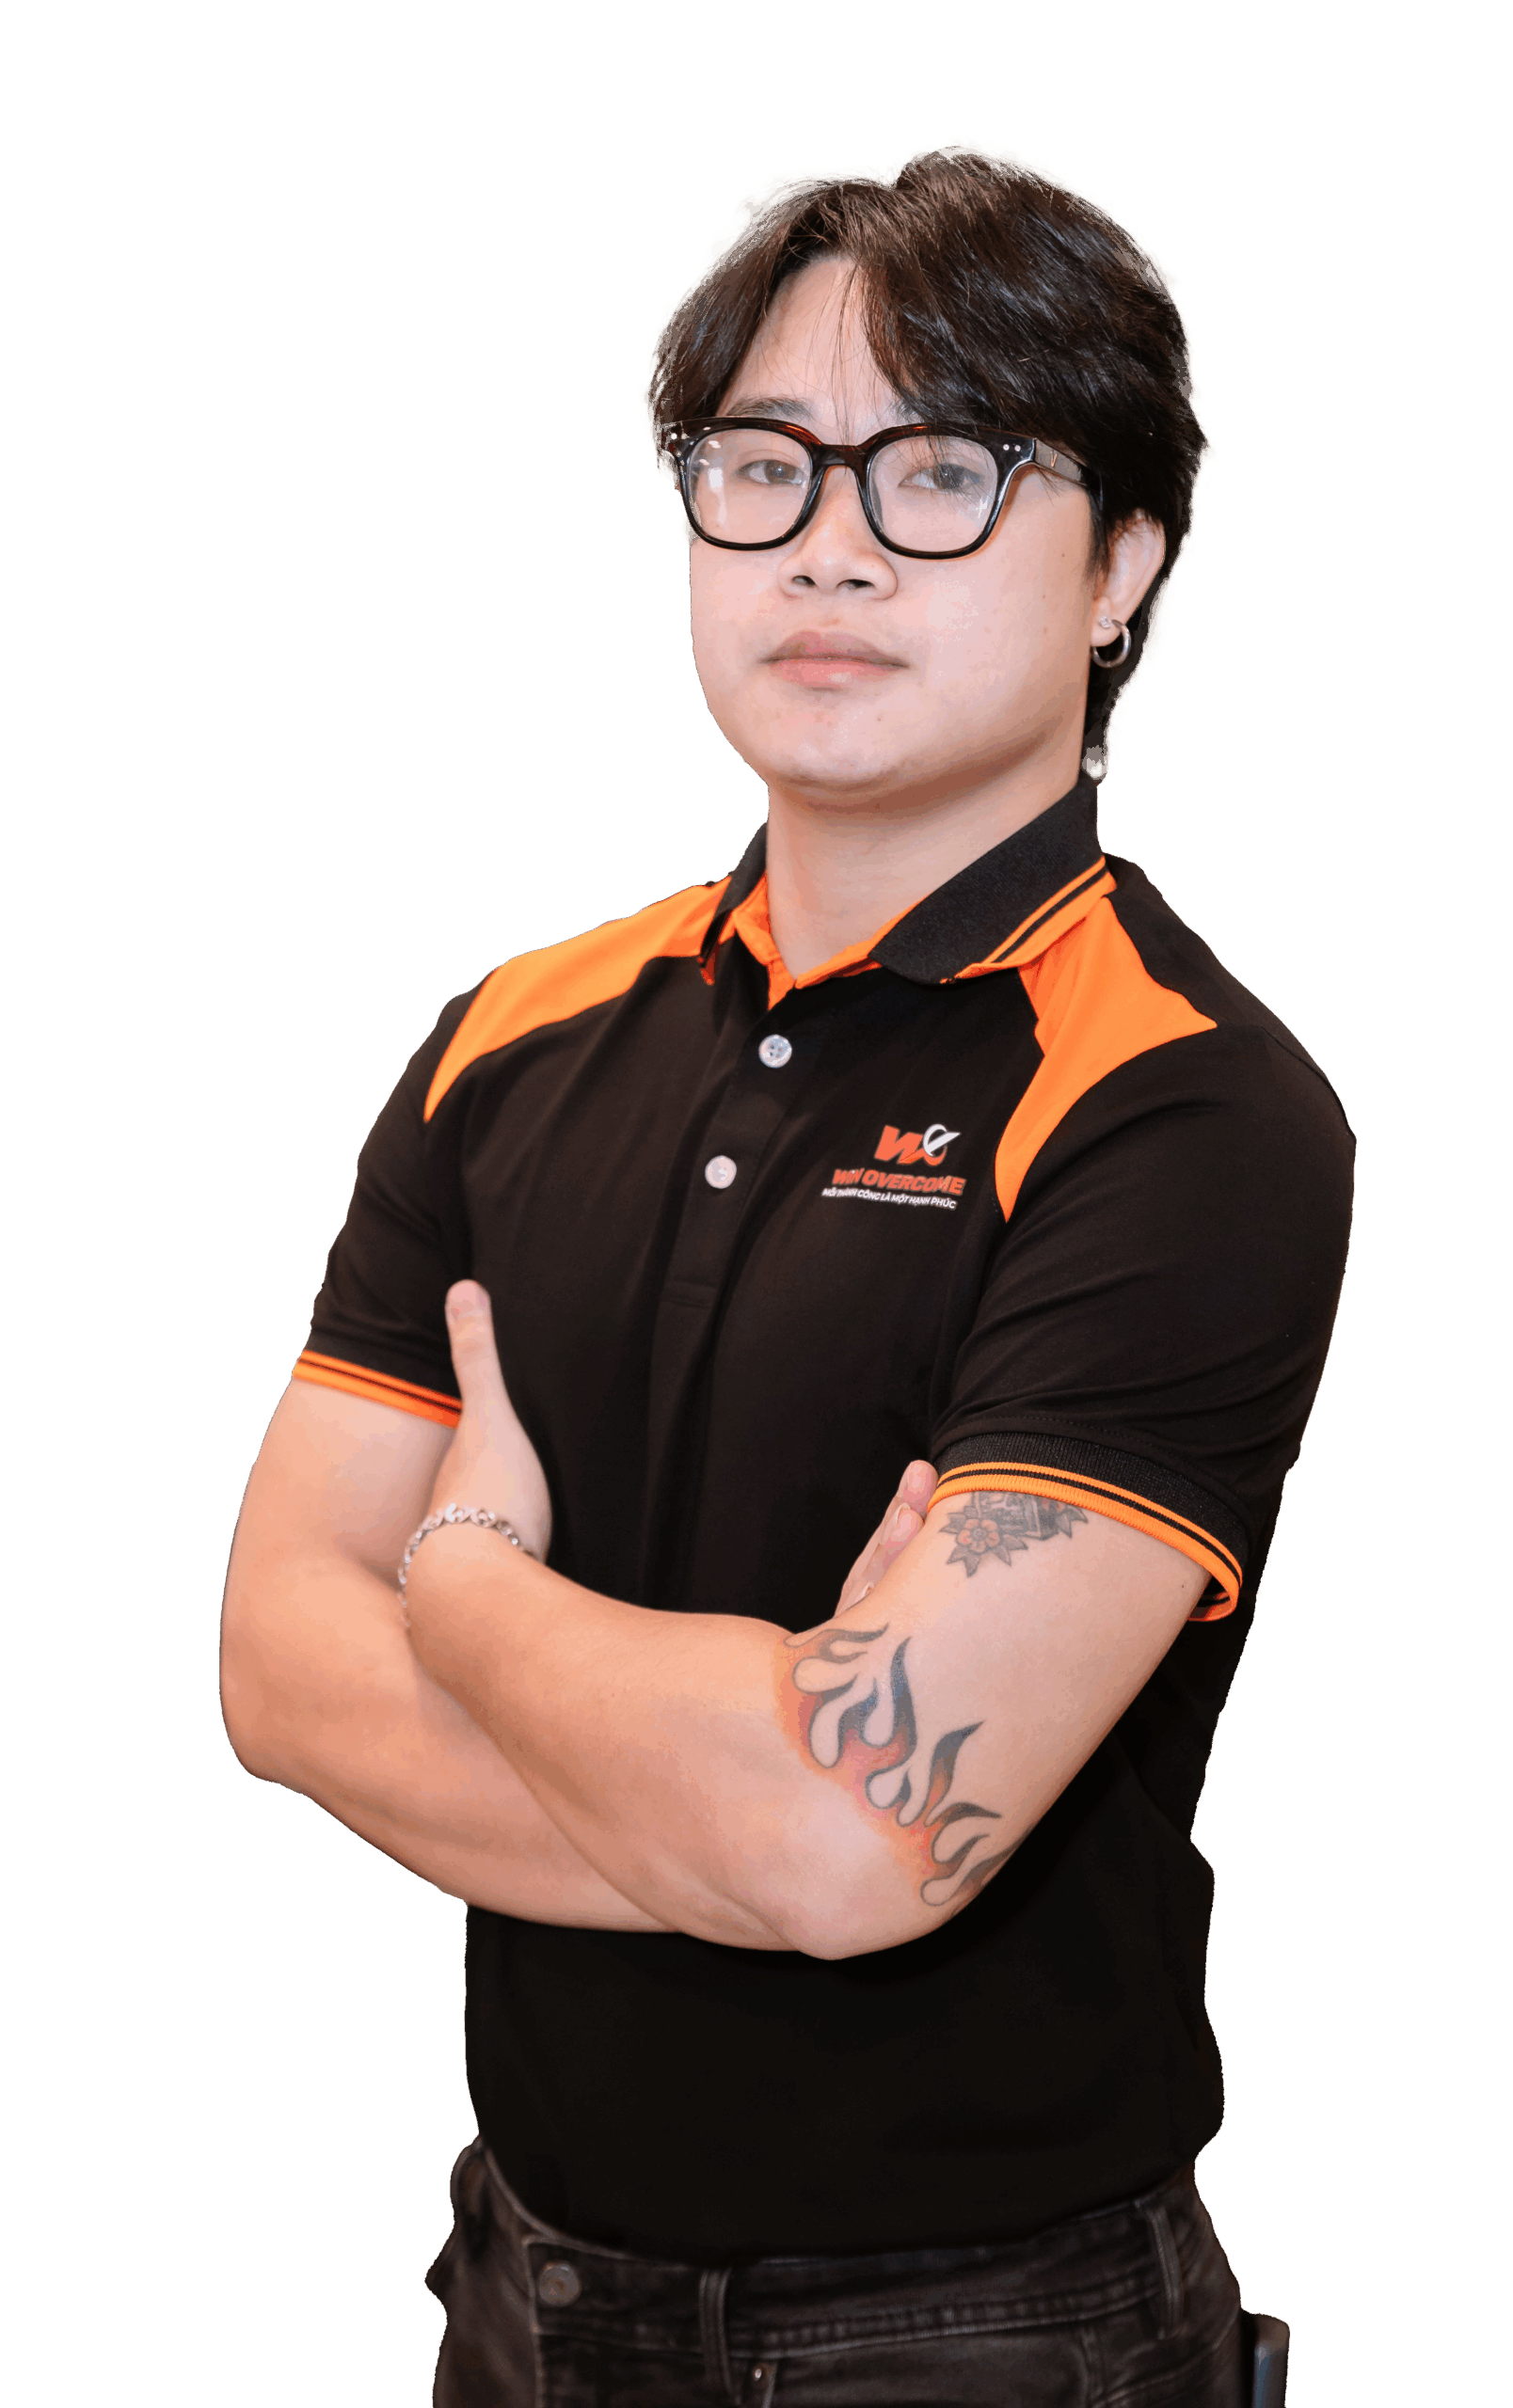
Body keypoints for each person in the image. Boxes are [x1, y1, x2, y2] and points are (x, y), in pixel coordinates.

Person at [221, 141, 1353, 2406]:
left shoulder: (1183, 1107)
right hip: (521, 2287)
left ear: (1124, 562)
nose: (830, 544)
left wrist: (462, 1581)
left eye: (943, 469)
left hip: (981, 2332)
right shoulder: (512, 1036)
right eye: (761, 465)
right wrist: (753, 1797)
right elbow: (271, 1666)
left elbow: (854, 1835)